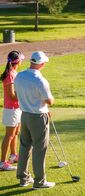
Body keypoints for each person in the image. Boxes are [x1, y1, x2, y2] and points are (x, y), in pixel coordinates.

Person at [14, 51, 55, 188]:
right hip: (38, 117)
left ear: (31, 61)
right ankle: (39, 181)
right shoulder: (40, 80)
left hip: (24, 115)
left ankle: (23, 178)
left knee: (24, 146)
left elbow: (17, 95)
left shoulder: (19, 76)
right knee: (39, 149)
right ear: (42, 64)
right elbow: (49, 101)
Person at [1, 51, 25, 171]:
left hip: (17, 108)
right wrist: (25, 97)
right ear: (17, 61)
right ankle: (2, 162)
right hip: (11, 109)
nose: (22, 61)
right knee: (9, 135)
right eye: (21, 59)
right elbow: (11, 95)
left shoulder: (15, 73)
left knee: (15, 133)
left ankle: (13, 155)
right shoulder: (10, 75)